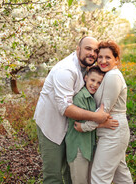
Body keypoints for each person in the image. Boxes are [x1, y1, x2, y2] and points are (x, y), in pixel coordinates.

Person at [33, 36, 110, 184]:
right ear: (78, 49)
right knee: (53, 176)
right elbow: (65, 108)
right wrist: (96, 117)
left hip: (69, 128)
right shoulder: (66, 70)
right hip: (51, 126)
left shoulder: (86, 68)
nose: (92, 53)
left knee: (70, 172)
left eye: (95, 50)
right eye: (88, 48)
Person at [74, 40, 133, 184]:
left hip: (113, 132)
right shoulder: (108, 75)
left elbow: (103, 113)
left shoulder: (113, 76)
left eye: (108, 57)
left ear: (116, 59)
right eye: (100, 57)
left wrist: (84, 127)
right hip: (111, 130)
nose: (103, 61)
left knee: (99, 177)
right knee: (121, 176)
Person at [66, 66, 118, 184]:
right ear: (85, 78)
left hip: (89, 147)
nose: (95, 85)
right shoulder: (80, 97)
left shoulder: (94, 98)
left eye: (99, 82)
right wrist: (103, 124)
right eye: (92, 80)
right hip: (78, 148)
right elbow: (80, 125)